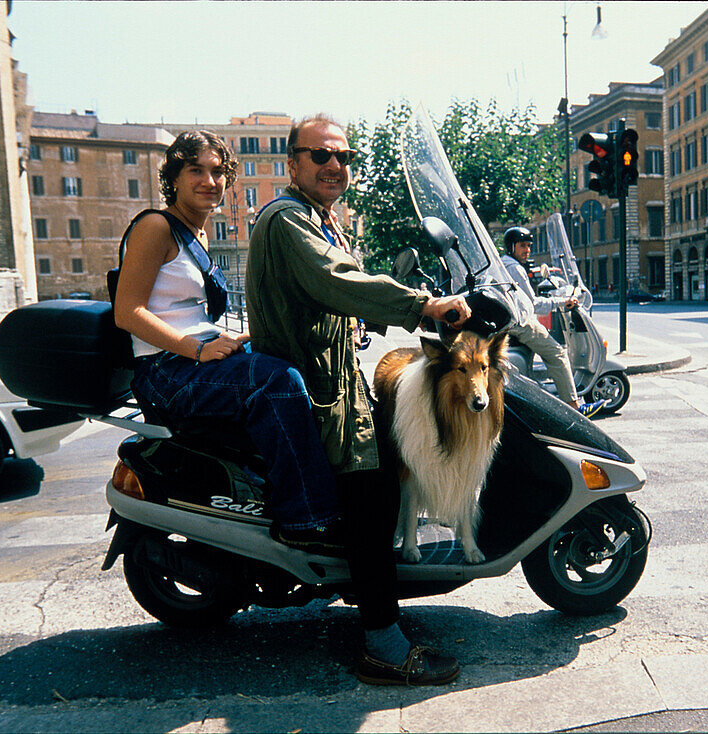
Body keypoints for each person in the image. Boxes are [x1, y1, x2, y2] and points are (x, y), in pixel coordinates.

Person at [245, 116, 471, 687]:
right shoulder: (288, 219)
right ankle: (383, 647)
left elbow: (334, 295)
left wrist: (366, 319)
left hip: (334, 379)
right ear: (292, 163)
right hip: (314, 393)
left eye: (344, 158)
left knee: (389, 473)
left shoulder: (319, 219)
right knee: (373, 502)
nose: (334, 167)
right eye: (320, 156)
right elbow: (337, 280)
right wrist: (425, 304)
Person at [113, 130, 344, 551]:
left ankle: (274, 489)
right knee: (277, 381)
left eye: (218, 172)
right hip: (166, 371)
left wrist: (234, 337)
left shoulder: (196, 233)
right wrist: (198, 349)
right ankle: (309, 518)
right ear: (174, 177)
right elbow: (128, 312)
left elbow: (184, 314)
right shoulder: (155, 226)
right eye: (195, 170)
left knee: (289, 356)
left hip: (188, 360)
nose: (210, 181)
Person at [500, 226, 607, 418]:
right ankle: (575, 408)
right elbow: (533, 304)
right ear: (511, 246)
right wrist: (562, 302)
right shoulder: (515, 268)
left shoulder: (506, 263)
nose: (527, 250)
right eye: (522, 246)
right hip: (521, 322)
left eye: (529, 246)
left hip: (513, 319)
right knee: (557, 354)